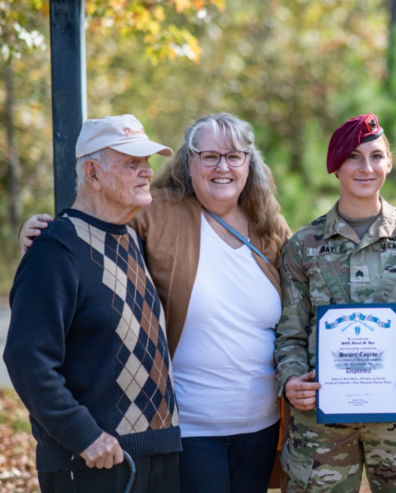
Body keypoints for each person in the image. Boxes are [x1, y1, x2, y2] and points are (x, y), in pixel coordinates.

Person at [19, 113, 292, 493]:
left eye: (234, 155)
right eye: (209, 155)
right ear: (189, 162)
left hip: (254, 427)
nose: (223, 166)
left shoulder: (269, 227)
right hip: (188, 428)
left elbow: (302, 304)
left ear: (251, 162)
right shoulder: (153, 214)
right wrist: (37, 233)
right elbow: (91, 224)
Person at [4, 115, 181, 493]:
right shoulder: (53, 251)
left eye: (147, 162)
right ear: (93, 173)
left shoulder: (130, 239)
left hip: (157, 456)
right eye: (132, 163)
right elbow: (27, 358)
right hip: (94, 462)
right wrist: (83, 436)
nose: (146, 172)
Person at [275, 113, 396, 492]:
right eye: (353, 157)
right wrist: (291, 379)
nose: (366, 167)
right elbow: (290, 333)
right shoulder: (304, 247)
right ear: (336, 166)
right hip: (321, 422)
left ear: (389, 162)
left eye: (376, 156)